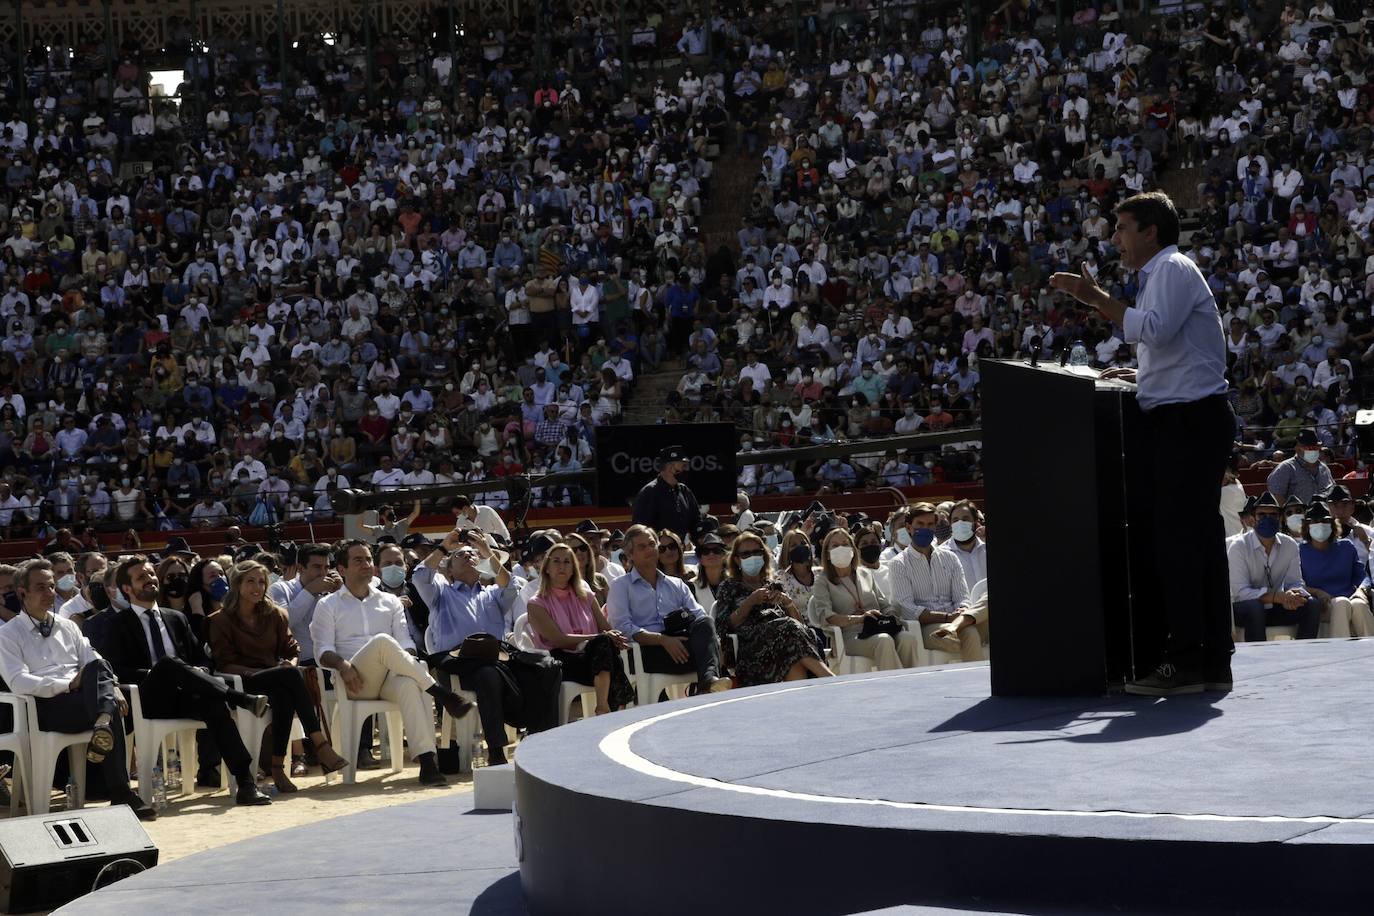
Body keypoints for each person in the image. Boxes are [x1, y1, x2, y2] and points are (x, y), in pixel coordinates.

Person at [1051, 191, 1235, 695]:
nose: (1115, 239)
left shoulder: (1172, 268)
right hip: (1185, 419)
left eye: (1122, 228)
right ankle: (1211, 658)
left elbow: (1154, 328)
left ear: (1150, 231)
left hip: (1189, 423)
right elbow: (1171, 346)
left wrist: (1093, 300)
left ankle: (1186, 661)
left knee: (1179, 543)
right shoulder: (1159, 276)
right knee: (1193, 541)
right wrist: (1143, 374)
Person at [104, 555, 275, 806]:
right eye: (142, 577)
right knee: (167, 664)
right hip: (147, 699)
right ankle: (238, 698)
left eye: (152, 574)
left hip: (185, 694)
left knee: (214, 706)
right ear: (127, 589)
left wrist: (200, 671)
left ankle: (246, 784)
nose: (151, 579)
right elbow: (115, 670)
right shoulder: (116, 624)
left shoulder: (175, 618)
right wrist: (158, 673)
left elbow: (203, 659)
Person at [0, 559, 156, 821]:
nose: (49, 593)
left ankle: (104, 720)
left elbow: (93, 662)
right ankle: (120, 788)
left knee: (100, 664)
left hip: (86, 701)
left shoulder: (67, 626)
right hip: (47, 707)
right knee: (107, 700)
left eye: (51, 587)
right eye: (41, 587)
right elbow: (18, 681)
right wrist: (69, 684)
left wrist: (113, 686)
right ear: (22, 593)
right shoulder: (8, 634)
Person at [311, 539, 474, 786]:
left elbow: (406, 643)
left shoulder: (388, 602)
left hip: (389, 677)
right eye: (358, 560)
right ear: (342, 570)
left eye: (368, 559)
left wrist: (404, 663)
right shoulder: (327, 605)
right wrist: (343, 666)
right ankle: (440, 693)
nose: (366, 564)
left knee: (409, 682)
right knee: (383, 642)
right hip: (353, 681)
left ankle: (428, 763)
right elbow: (322, 651)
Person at [208, 560, 350, 793]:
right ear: (237, 585)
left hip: (276, 679)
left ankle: (277, 767)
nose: (257, 587)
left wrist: (289, 663)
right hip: (242, 681)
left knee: (285, 692)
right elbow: (223, 663)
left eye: (262, 581)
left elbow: (293, 651)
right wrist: (263, 672)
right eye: (250, 581)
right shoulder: (220, 619)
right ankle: (320, 744)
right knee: (289, 677)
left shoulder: (275, 614)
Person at [412, 528, 538, 767]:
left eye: (473, 554)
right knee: (489, 674)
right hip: (455, 665)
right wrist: (444, 547)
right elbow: (419, 577)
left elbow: (510, 586)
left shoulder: (492, 595)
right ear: (449, 570)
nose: (469, 556)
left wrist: (486, 550)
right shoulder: (440, 593)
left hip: (493, 661)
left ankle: (539, 737)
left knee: (543, 666)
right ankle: (497, 750)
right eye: (461, 555)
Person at [606, 524, 731, 696]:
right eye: (642, 547)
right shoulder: (620, 586)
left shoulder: (676, 584)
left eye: (652, 544)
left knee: (706, 624)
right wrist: (662, 640)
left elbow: (699, 616)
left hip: (682, 647)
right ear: (630, 555)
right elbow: (623, 629)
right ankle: (708, 683)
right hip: (645, 652)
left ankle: (708, 681)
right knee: (708, 653)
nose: (649, 549)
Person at [526, 543, 635, 714]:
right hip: (561, 660)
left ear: (573, 569)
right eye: (556, 561)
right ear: (546, 568)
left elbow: (605, 628)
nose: (562, 566)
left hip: (592, 657)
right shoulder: (536, 603)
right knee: (606, 648)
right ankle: (614, 708)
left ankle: (603, 706)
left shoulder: (586, 595)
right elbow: (559, 640)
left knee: (606, 646)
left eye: (567, 562)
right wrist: (598, 637)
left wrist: (615, 636)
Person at [713, 530, 833, 685]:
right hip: (752, 649)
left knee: (795, 650)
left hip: (785, 643)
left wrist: (787, 603)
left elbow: (800, 626)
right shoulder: (728, 587)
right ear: (736, 560)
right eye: (746, 554)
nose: (752, 556)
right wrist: (749, 602)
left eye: (757, 552)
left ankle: (802, 699)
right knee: (788, 630)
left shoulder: (773, 584)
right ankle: (829, 680)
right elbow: (723, 626)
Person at [810, 527, 917, 670]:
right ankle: (894, 688)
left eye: (845, 544)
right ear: (827, 554)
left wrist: (891, 615)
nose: (841, 548)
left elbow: (884, 604)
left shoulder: (865, 574)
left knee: (907, 639)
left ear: (853, 550)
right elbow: (827, 617)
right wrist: (859, 619)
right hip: (850, 635)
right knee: (884, 641)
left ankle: (911, 684)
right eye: (835, 546)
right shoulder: (822, 581)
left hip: (877, 627)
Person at [887, 503, 979, 660]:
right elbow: (907, 608)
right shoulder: (899, 564)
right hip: (924, 628)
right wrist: (946, 618)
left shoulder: (950, 557)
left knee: (971, 633)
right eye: (920, 524)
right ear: (909, 527)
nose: (925, 528)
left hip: (955, 621)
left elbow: (963, 597)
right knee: (961, 637)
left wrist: (961, 611)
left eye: (930, 524)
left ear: (936, 526)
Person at [1227, 493, 1322, 643]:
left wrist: (1293, 594)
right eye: (1262, 515)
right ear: (1252, 519)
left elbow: (1296, 582)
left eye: (1273, 515)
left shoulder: (1289, 544)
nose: (1268, 519)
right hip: (1242, 609)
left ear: (1280, 518)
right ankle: (1259, 661)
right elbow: (1241, 593)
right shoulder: (1239, 546)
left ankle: (1304, 655)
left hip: (1276, 605)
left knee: (1311, 604)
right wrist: (1276, 597)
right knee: (1255, 607)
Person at [1296, 503, 1374, 638]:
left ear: (1332, 524)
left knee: (1359, 605)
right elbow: (1294, 583)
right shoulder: (1299, 551)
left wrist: (1361, 590)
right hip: (1322, 605)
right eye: (1315, 521)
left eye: (1325, 521)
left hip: (1350, 598)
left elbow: (1362, 576)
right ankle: (1340, 655)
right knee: (1341, 604)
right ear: (1307, 525)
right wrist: (1316, 592)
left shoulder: (1346, 546)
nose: (1320, 525)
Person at [267, 543, 340, 663]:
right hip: (302, 662)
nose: (323, 573)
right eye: (317, 567)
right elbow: (284, 623)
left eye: (326, 567)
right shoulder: (280, 588)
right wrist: (309, 591)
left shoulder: (332, 591)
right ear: (300, 568)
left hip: (334, 658)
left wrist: (342, 594)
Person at [630, 445, 701, 544]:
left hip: (679, 552)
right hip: (658, 553)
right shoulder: (650, 492)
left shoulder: (685, 491)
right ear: (671, 467)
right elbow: (639, 530)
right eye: (683, 465)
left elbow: (696, 522)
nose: (686, 469)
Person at [1266, 429, 1335, 505]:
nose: (1312, 450)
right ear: (1297, 449)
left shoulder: (1324, 468)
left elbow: (1332, 491)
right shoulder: (1285, 468)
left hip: (1323, 515)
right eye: (1307, 447)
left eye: (1315, 447)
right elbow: (1276, 497)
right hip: (1298, 514)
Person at [691, 532, 729, 615]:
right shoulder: (691, 586)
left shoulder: (735, 583)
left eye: (716, 551)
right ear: (700, 559)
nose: (711, 554)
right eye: (706, 551)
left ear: (724, 556)